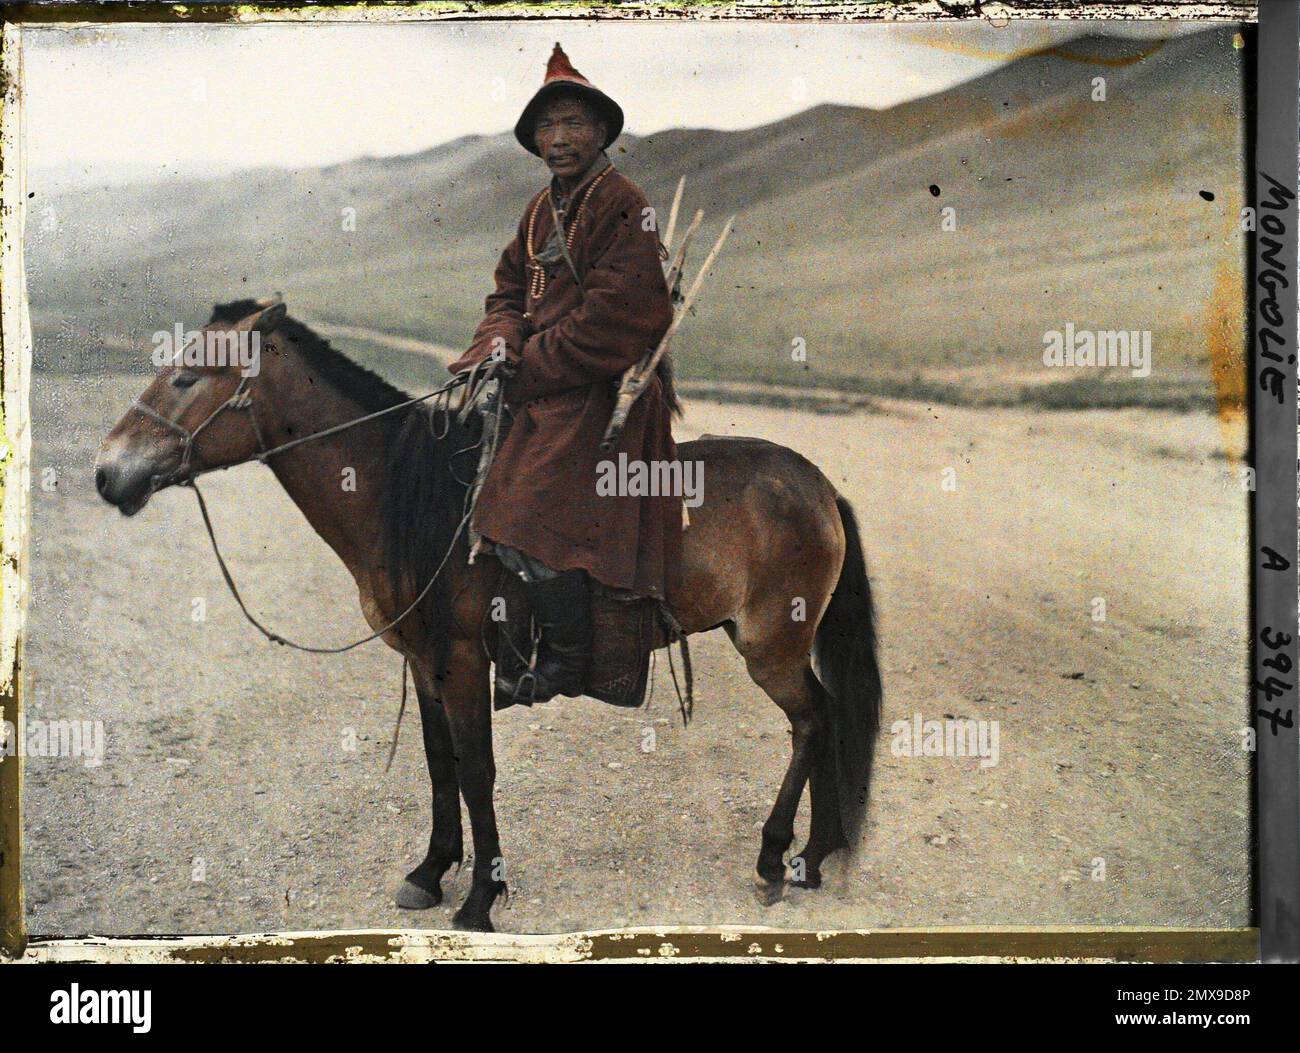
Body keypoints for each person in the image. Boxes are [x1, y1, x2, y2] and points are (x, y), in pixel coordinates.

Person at [449, 43, 680, 705]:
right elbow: (507, 294)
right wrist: (496, 345)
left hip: (607, 389)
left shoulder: (626, 204)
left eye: (573, 123)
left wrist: (528, 368)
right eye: (547, 127)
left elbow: (619, 318)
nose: (558, 139)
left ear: (603, 130)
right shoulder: (538, 210)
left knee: (523, 509)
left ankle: (567, 664)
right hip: (550, 384)